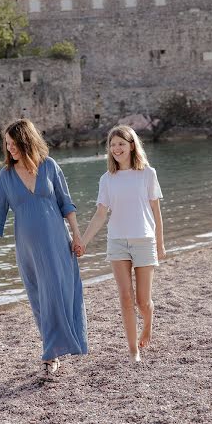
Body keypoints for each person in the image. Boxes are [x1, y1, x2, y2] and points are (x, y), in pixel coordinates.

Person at [0, 118, 88, 379]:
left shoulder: (49, 166)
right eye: (7, 144)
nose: (10, 148)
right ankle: (50, 354)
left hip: (57, 243)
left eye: (14, 143)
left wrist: (77, 236)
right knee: (41, 299)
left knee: (62, 293)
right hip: (28, 248)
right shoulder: (5, 177)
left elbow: (66, 204)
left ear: (26, 141)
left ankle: (63, 345)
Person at [78, 125, 165, 362]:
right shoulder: (107, 179)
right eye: (113, 145)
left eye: (121, 144)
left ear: (132, 145)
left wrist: (160, 244)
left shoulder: (147, 173)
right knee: (125, 297)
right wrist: (82, 242)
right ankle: (133, 350)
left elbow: (156, 212)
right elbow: (100, 214)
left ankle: (148, 324)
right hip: (117, 242)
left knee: (143, 301)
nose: (116, 149)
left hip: (144, 240)